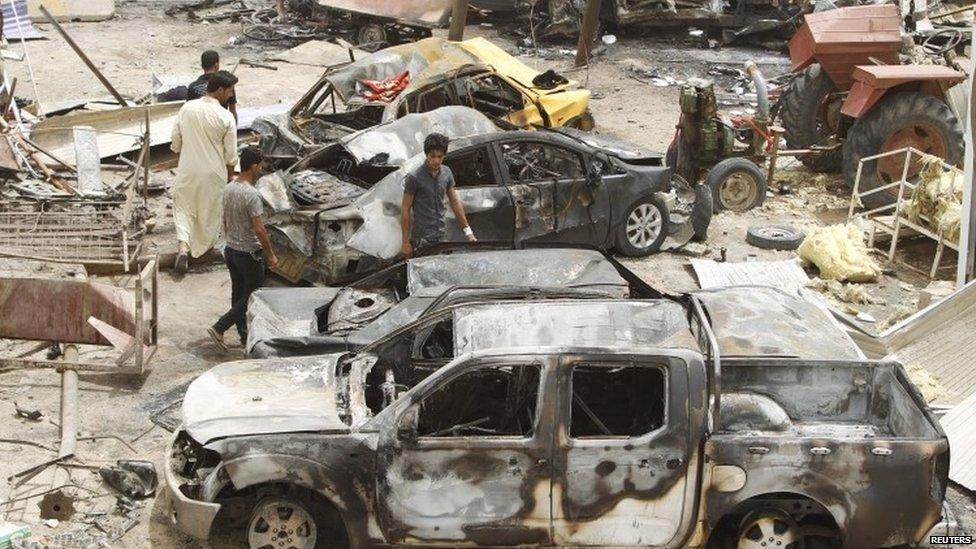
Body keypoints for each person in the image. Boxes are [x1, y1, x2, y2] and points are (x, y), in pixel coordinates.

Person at [208, 146, 278, 352]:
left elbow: (225, 219)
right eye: (261, 166)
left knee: (238, 292)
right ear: (254, 166)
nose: (261, 170)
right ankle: (219, 327)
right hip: (249, 253)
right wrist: (271, 255)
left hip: (231, 250)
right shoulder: (252, 195)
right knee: (253, 294)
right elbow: (259, 228)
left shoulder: (229, 187)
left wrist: (229, 240)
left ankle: (243, 334)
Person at [171, 70, 240, 275]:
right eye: (229, 91)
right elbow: (231, 154)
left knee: (184, 208)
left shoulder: (187, 108)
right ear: (219, 90)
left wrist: (181, 152)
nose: (230, 95)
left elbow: (175, 140)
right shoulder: (225, 116)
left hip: (188, 169)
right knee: (209, 212)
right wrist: (230, 174)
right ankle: (205, 251)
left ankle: (183, 248)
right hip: (213, 173)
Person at [400, 133, 477, 258]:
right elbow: (405, 208)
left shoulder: (446, 173)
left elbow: (455, 202)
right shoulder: (414, 177)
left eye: (440, 156)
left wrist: (468, 232)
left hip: (443, 236)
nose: (436, 160)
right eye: (433, 156)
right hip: (422, 240)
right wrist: (405, 242)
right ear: (426, 155)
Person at [187, 50, 238, 123]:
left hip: (199, 125)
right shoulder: (226, 85)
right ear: (217, 65)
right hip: (221, 124)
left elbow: (189, 111)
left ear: (202, 66)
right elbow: (232, 112)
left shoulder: (193, 86)